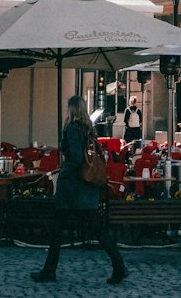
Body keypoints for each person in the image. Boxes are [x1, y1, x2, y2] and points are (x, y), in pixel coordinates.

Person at [31, 95, 127, 286]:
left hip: (73, 188)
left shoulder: (73, 128)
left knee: (58, 231)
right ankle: (119, 266)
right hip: (87, 187)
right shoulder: (88, 129)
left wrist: (63, 174)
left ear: (72, 109)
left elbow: (75, 158)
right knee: (98, 230)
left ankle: (49, 271)